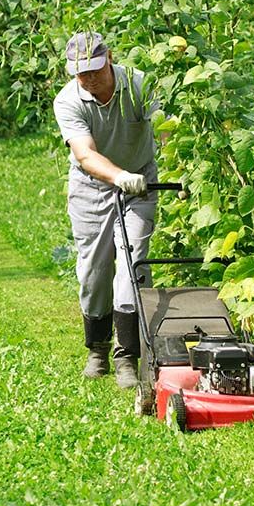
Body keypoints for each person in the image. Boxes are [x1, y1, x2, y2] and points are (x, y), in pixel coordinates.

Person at [53, 31, 159, 389]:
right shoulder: (68, 101)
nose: (89, 80)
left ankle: (127, 356)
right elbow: (84, 153)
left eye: (95, 71)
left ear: (109, 58)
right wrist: (118, 176)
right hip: (92, 187)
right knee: (94, 271)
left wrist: (183, 167)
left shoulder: (139, 84)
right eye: (81, 74)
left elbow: (166, 129)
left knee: (132, 263)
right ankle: (97, 348)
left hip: (140, 184)